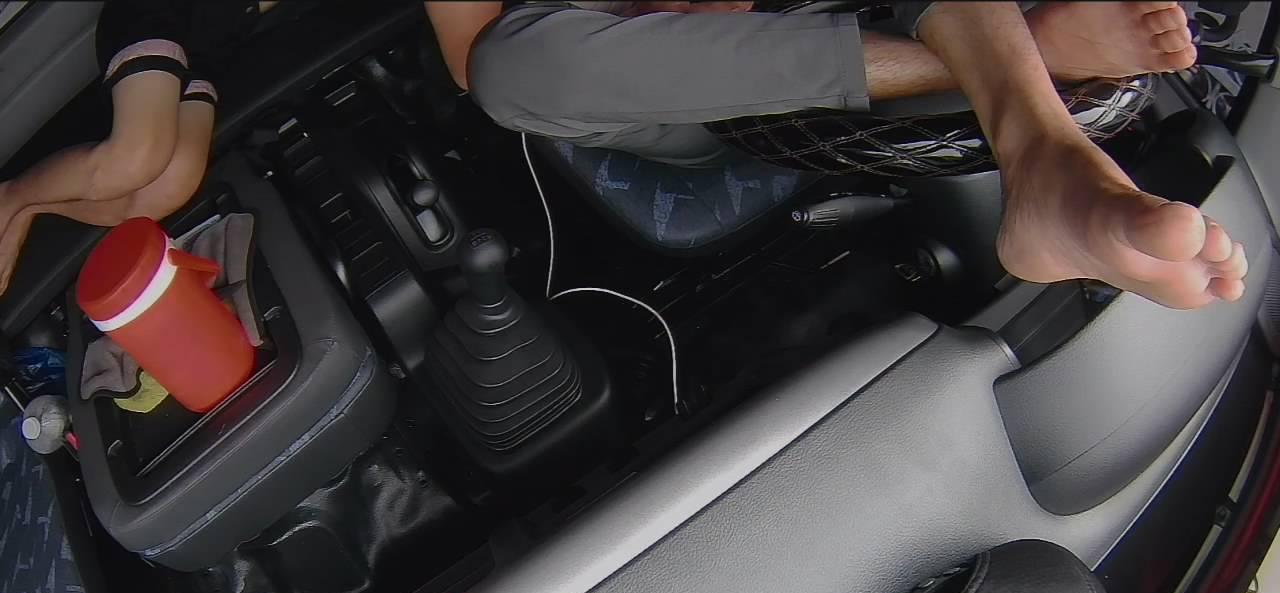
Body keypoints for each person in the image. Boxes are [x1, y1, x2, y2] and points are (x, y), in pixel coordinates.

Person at [426, 1, 1248, 310]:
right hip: (678, 75)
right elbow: (473, 57)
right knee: (508, 70)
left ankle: (1044, 153)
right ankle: (1028, 55)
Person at [0, 0, 280, 294]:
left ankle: (29, 203)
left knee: (160, 195)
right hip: (166, 12)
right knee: (135, 160)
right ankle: (10, 197)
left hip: (214, 42)